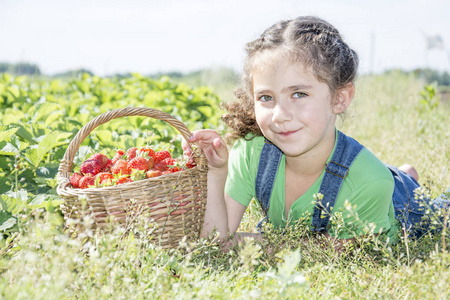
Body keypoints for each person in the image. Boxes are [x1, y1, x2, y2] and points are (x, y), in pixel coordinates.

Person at [182, 16, 448, 250]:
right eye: (266, 97)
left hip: (397, 205)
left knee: (438, 211)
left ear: (340, 98)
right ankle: (404, 172)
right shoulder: (251, 151)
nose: (279, 115)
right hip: (371, 181)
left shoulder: (370, 181)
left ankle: (404, 178)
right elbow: (214, 241)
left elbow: (339, 251)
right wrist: (216, 172)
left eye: (299, 94)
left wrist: (251, 241)